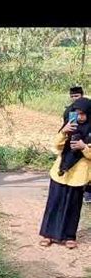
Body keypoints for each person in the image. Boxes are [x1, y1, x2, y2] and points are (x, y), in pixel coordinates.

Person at [39, 97, 91, 249]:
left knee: (73, 207)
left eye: (83, 114)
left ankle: (69, 236)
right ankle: (48, 235)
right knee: (53, 204)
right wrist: (63, 132)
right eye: (76, 113)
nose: (80, 117)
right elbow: (57, 146)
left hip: (79, 175)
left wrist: (84, 147)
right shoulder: (68, 127)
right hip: (60, 173)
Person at [62, 86, 91, 203]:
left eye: (77, 96)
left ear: (82, 95)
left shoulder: (88, 107)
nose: (74, 98)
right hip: (73, 139)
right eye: (72, 96)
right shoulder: (68, 111)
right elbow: (64, 127)